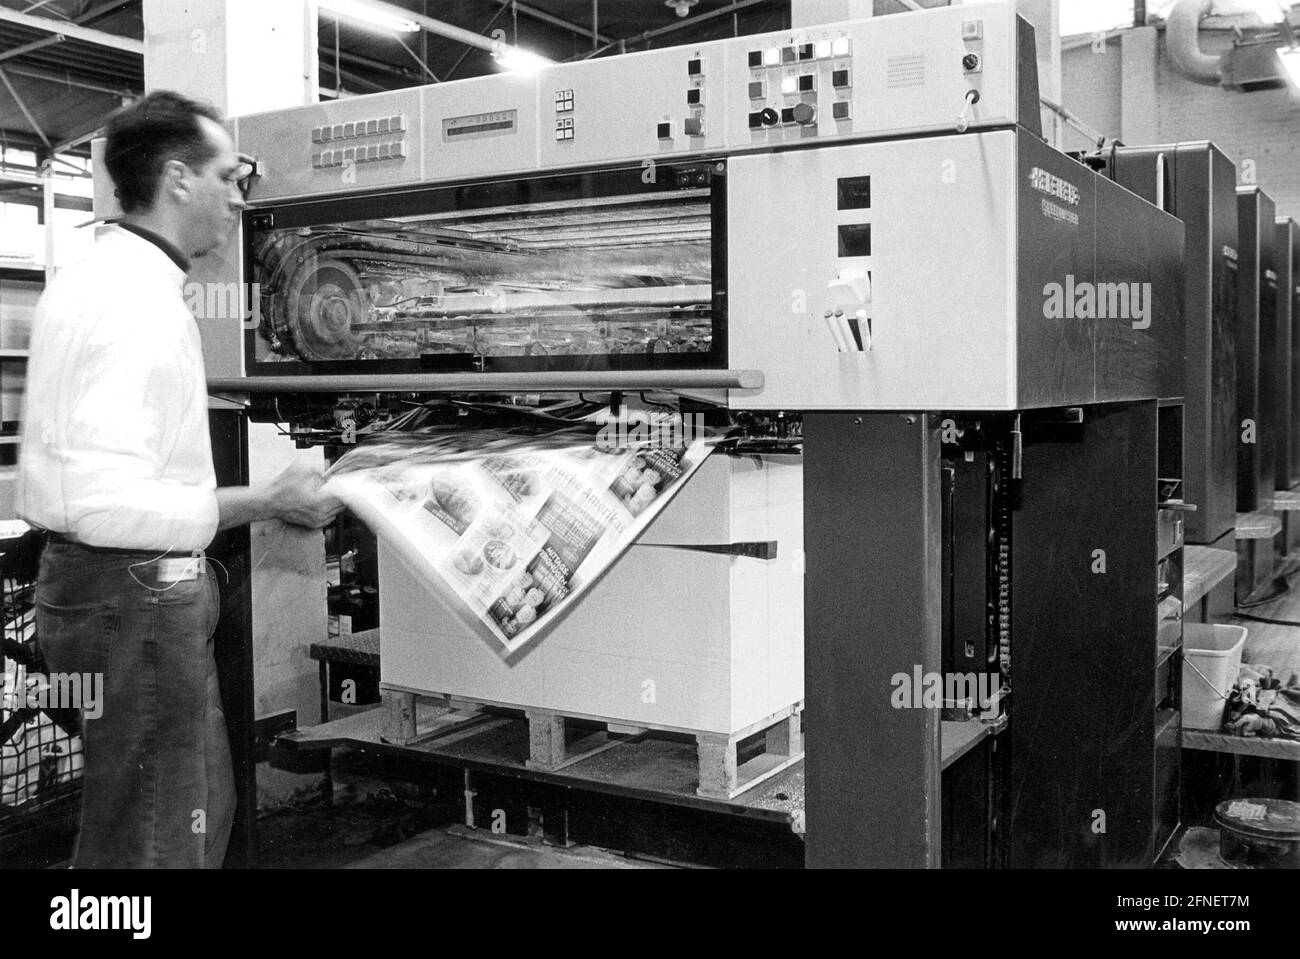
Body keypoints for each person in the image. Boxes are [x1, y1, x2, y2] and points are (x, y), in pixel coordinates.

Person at [17, 91, 343, 869]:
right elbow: (104, 503)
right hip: (128, 599)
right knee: (156, 835)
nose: (238, 200)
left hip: (112, 595)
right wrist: (269, 499)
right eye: (228, 178)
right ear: (177, 179)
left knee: (181, 810)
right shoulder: (132, 302)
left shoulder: (105, 277)